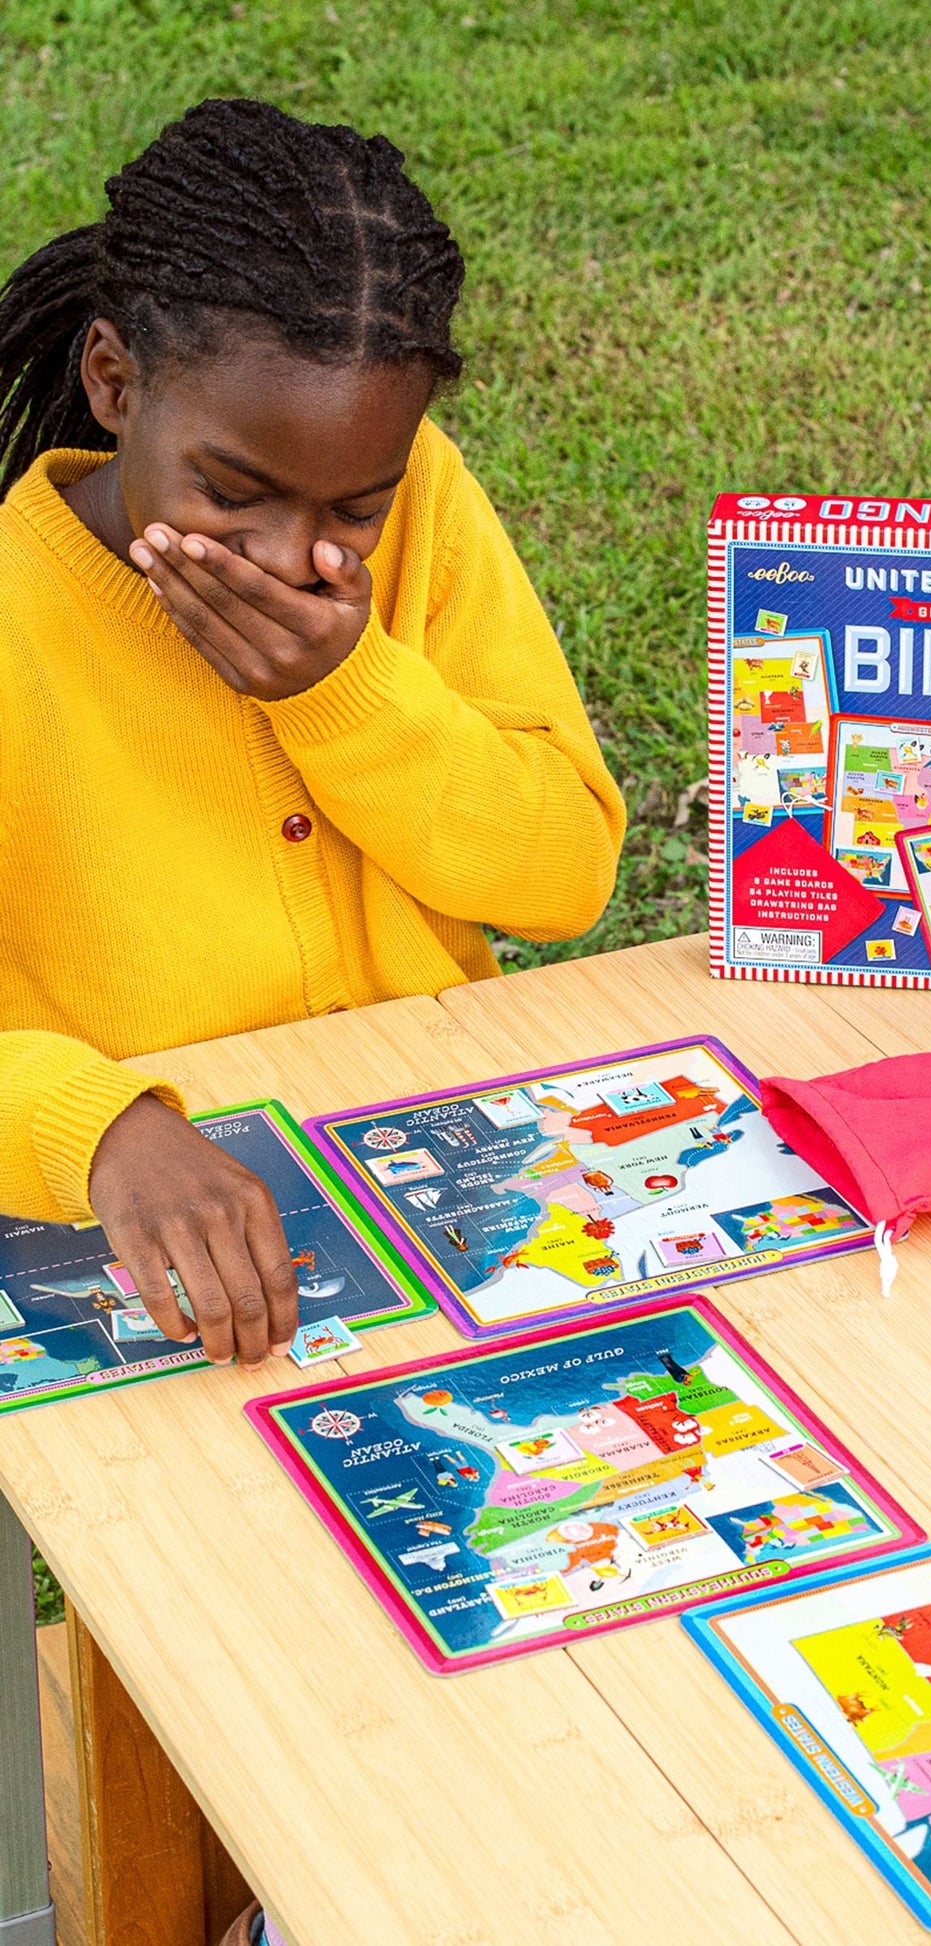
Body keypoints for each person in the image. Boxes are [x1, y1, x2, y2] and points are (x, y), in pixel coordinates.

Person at [0, 101, 625, 1380]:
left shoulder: (426, 498)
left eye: (356, 506)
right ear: (116, 382)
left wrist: (345, 690)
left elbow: (562, 876)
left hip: (440, 1167)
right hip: (130, 1230)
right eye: (231, 493)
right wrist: (97, 1126)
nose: (296, 555)